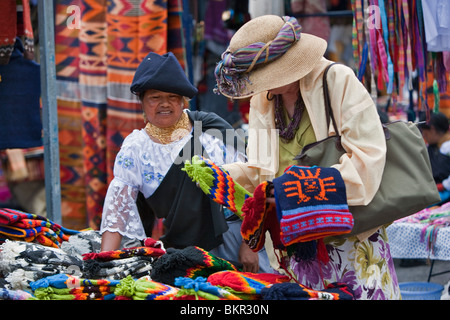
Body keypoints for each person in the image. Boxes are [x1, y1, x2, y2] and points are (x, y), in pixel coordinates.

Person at [213, 15, 400, 299]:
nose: (261, 86)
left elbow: (367, 160)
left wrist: (295, 190)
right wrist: (218, 175)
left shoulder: (336, 80)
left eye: (265, 77)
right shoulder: (263, 100)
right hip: (296, 243)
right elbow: (260, 170)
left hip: (348, 240)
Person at [99, 51, 272, 273]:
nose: (165, 104)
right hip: (183, 252)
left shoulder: (212, 133)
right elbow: (117, 213)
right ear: (142, 101)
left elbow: (255, 189)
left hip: (236, 241)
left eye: (172, 97)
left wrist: (250, 246)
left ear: (183, 101)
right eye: (155, 97)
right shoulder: (135, 149)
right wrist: (102, 264)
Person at [419, 111, 450, 204]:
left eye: (425, 134)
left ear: (432, 130)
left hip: (445, 192)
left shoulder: (447, 146)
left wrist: (442, 186)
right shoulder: (432, 146)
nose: (424, 137)